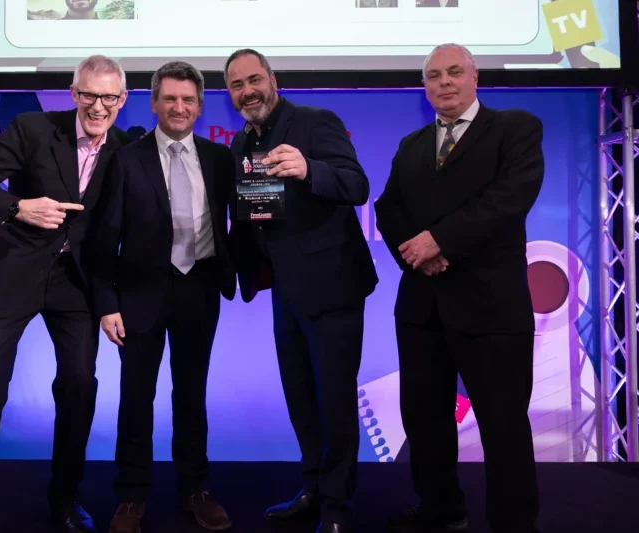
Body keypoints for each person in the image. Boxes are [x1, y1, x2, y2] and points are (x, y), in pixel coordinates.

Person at [0, 55, 132, 533]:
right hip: (15, 270)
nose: (98, 105)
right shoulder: (32, 129)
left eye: (109, 97)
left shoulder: (127, 149)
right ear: (73, 93)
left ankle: (64, 501)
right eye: (88, 94)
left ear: (122, 101)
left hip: (78, 282)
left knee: (78, 385)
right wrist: (17, 207)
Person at [374, 43, 543, 533]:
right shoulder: (411, 144)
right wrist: (417, 253)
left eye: (453, 72)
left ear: (474, 77)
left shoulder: (515, 129)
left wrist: (441, 242)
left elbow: (508, 199)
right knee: (425, 424)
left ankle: (514, 523)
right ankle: (440, 510)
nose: (443, 82)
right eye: (432, 75)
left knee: (504, 426)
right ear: (424, 87)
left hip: (491, 309)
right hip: (423, 309)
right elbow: (388, 208)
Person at [223, 49, 378, 533]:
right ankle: (312, 487)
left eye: (254, 79)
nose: (247, 91)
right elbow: (250, 215)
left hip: (332, 287)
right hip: (284, 293)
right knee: (301, 400)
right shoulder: (239, 144)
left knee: (333, 401)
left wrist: (310, 169)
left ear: (273, 79)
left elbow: (356, 185)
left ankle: (336, 508)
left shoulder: (315, 122)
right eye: (236, 85)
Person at [92, 61, 236, 533]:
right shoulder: (126, 159)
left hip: (199, 288)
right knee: (136, 398)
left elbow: (244, 221)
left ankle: (195, 490)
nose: (179, 107)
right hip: (139, 295)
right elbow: (104, 235)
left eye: (188, 100)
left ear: (199, 106)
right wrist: (107, 301)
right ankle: (131, 498)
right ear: (154, 103)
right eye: (170, 99)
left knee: (191, 396)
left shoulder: (219, 158)